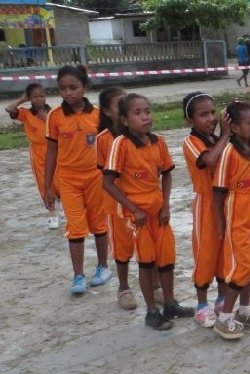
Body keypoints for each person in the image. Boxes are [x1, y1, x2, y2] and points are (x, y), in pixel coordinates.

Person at [102, 94, 195, 330]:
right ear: (124, 119)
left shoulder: (158, 142)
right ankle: (152, 312)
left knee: (166, 259)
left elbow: (167, 173)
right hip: (137, 216)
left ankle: (170, 303)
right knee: (146, 262)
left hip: (158, 212)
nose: (145, 116)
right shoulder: (120, 144)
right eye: (138, 113)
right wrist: (133, 208)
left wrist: (165, 204)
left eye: (148, 111)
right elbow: (107, 182)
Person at [44, 65, 111, 295]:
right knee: (75, 228)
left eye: (73, 87)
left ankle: (103, 267)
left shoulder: (98, 114)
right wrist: (47, 187)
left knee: (99, 224)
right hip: (67, 179)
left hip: (95, 177)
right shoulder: (54, 115)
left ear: (85, 87)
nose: (68, 93)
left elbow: (108, 147)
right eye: (63, 88)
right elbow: (51, 152)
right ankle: (78, 275)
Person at [96, 86, 162, 311]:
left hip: (144, 204)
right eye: (120, 104)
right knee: (123, 248)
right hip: (117, 205)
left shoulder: (146, 139)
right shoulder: (105, 140)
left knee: (150, 246)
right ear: (109, 112)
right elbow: (107, 178)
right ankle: (124, 287)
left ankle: (155, 285)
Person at [211, 101, 250, 340]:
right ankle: (225, 317)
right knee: (241, 266)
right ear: (233, 128)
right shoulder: (229, 153)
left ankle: (244, 310)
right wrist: (220, 223)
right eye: (249, 124)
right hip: (238, 213)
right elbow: (218, 190)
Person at [182, 92, 231, 328]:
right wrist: (226, 135)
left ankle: (222, 299)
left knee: (223, 252)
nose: (210, 118)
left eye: (213, 112)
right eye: (203, 114)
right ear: (190, 120)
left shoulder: (215, 139)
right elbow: (209, 161)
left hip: (224, 203)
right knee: (206, 253)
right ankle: (202, 305)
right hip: (206, 204)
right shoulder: (192, 142)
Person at [4, 83, 57, 229]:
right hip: (38, 153)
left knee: (59, 181)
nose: (39, 99)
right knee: (44, 184)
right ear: (30, 98)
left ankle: (66, 208)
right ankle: (52, 215)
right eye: (35, 97)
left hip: (55, 150)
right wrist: (22, 99)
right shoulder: (26, 114)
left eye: (42, 96)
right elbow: (9, 109)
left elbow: (61, 128)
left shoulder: (53, 112)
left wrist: (47, 119)